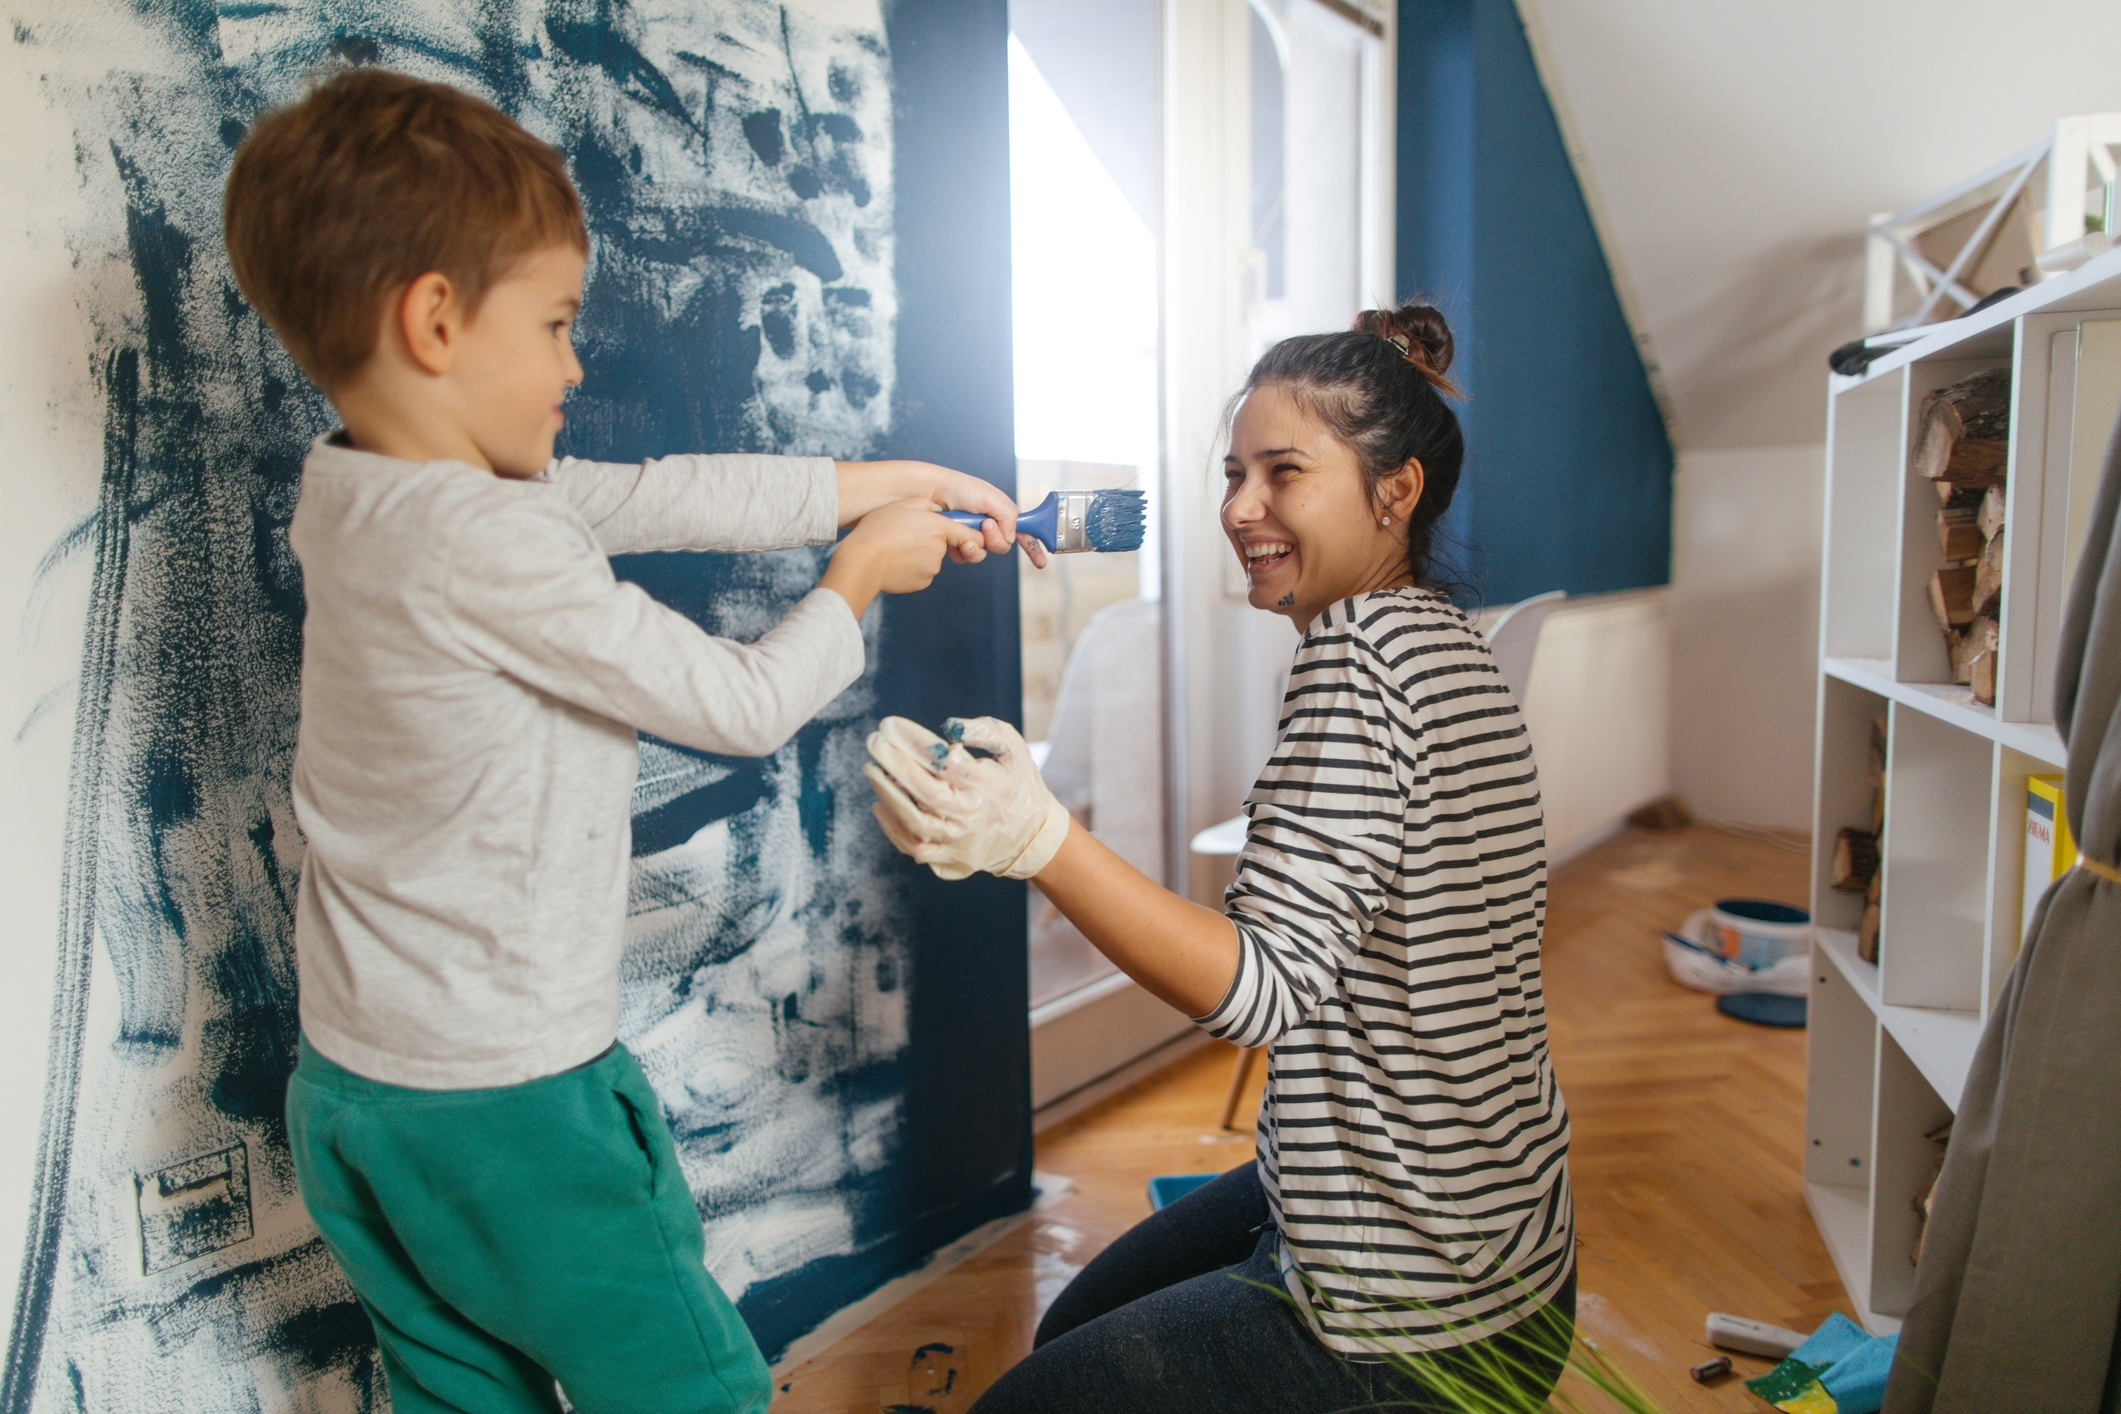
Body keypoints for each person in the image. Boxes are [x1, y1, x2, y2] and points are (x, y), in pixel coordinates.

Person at [221, 69, 1034, 1414]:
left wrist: (882, 483)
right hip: (512, 1108)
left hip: (358, 1094)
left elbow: (659, 495)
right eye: (552, 324)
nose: (574, 362)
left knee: (456, 1389)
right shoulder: (492, 542)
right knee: (687, 1383)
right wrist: (862, 575)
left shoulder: (361, 492)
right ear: (434, 320)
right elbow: (741, 705)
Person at [865, 303, 1576, 1413]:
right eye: (1233, 472)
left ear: (1397, 494)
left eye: (1282, 472)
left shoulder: (1358, 668)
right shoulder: (1448, 640)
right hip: (1505, 1242)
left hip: (1413, 1322)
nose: (1240, 508)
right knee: (1071, 1327)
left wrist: (1038, 838)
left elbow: (1260, 992)